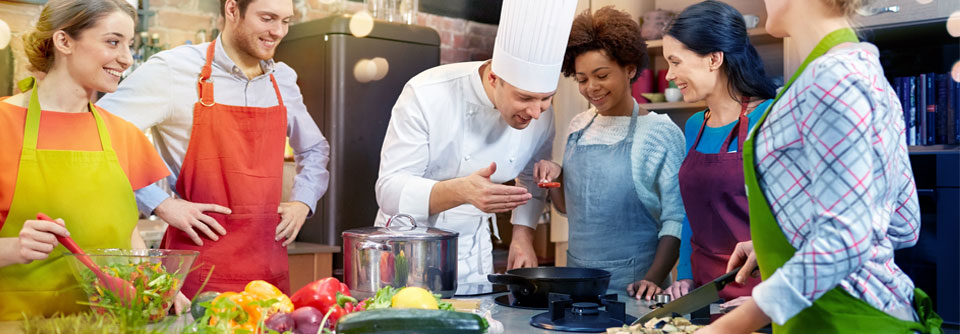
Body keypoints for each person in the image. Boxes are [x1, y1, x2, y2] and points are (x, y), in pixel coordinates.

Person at [698, 0, 942, 333]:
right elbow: (903, 223)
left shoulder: (830, 80)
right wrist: (786, 242)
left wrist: (725, 328)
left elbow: (846, 239)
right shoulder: (865, 73)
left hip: (843, 321)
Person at [97, 0, 330, 297]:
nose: (278, 32)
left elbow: (315, 149)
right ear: (232, 10)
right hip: (196, 270)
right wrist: (159, 203)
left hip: (267, 273)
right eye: (268, 18)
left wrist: (303, 202)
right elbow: (97, 132)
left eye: (286, 21)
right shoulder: (173, 70)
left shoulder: (281, 80)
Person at [374, 0, 578, 285]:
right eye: (525, 98)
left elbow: (531, 177)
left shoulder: (542, 115)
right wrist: (461, 191)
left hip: (475, 254)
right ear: (494, 78)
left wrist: (522, 234)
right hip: (409, 246)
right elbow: (389, 191)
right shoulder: (426, 93)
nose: (536, 112)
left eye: (546, 98)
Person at [0, 0, 178, 319]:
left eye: (129, 45)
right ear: (64, 41)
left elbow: (128, 237)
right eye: (113, 42)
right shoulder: (3, 124)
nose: (125, 59)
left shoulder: (123, 134)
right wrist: (14, 248)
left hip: (111, 324)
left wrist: (153, 288)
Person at [536, 6, 685, 299]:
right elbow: (570, 208)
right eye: (581, 79)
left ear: (630, 69)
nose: (591, 88)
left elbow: (676, 219)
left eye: (601, 75)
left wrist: (653, 280)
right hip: (576, 284)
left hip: (636, 290)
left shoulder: (660, 133)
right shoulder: (578, 126)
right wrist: (554, 178)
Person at [659, 1, 777, 304]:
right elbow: (690, 213)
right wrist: (684, 275)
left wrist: (769, 295)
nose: (669, 75)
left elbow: (792, 220)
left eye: (676, 62)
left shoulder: (771, 118)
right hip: (703, 293)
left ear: (713, 59)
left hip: (760, 293)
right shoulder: (695, 125)